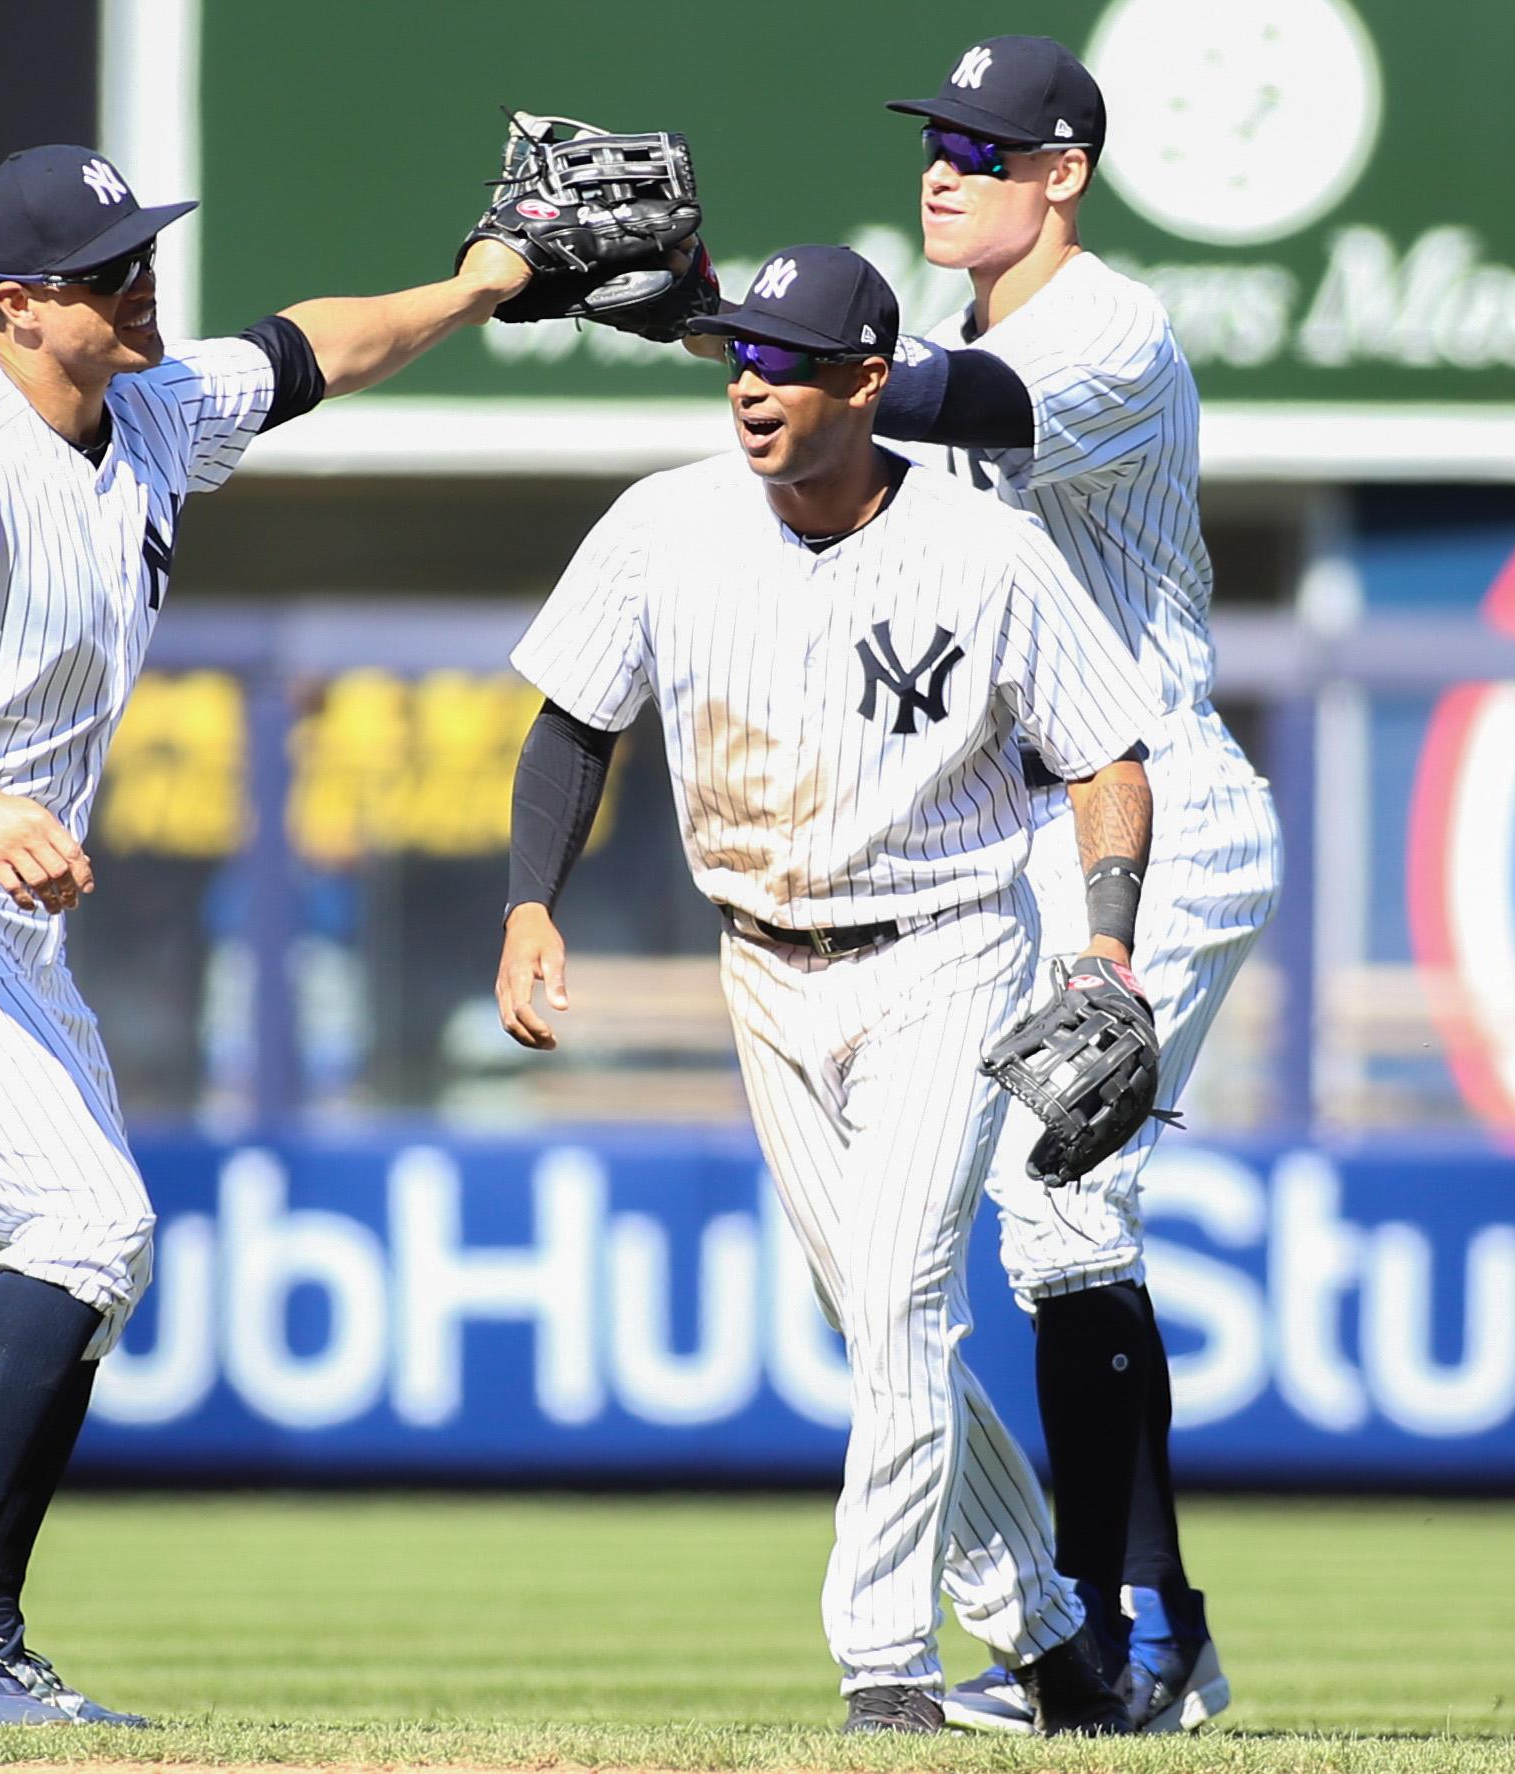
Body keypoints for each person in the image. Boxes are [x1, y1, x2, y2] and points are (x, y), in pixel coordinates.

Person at [0, 144, 536, 1727]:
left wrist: (485, 283)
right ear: (19, 306)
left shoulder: (152, 408)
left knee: (100, 1255)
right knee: (89, 1228)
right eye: (103, 271)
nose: (140, 281)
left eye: (142, 251)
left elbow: (316, 351)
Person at [496, 244, 1160, 1737]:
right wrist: (532, 896)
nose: (751, 382)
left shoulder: (985, 554)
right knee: (877, 1324)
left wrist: (1106, 940)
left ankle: (886, 1670)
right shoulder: (666, 525)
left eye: (788, 361)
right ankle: (1057, 1644)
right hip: (763, 968)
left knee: (910, 1297)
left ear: (871, 383)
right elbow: (574, 722)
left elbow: (1108, 754)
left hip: (943, 954)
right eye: (739, 352)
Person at [873, 35, 1286, 1735]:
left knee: (1055, 1211)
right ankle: (1148, 1629)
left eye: (987, 146)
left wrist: (723, 310)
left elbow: (961, 409)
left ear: (1065, 175)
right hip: (1034, 827)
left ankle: (1116, 1646)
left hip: (1159, 808)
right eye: (936, 141)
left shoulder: (1107, 324)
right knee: (930, 1223)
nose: (945, 167)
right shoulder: (958, 321)